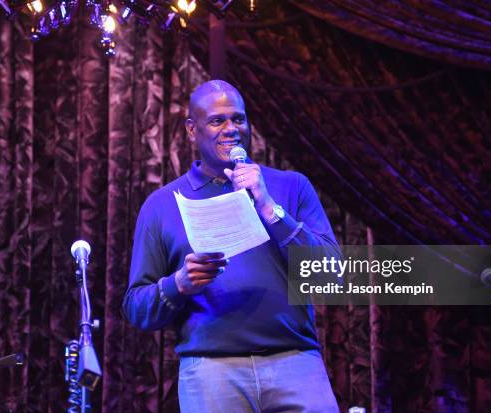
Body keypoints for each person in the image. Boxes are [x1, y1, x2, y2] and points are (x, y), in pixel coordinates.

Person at [123, 80, 340, 413]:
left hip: (295, 364)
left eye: (238, 119)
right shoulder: (162, 204)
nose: (231, 129)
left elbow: (331, 276)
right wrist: (179, 283)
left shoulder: (290, 186)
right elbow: (137, 307)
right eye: (217, 120)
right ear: (192, 130)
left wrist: (269, 207)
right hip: (211, 372)